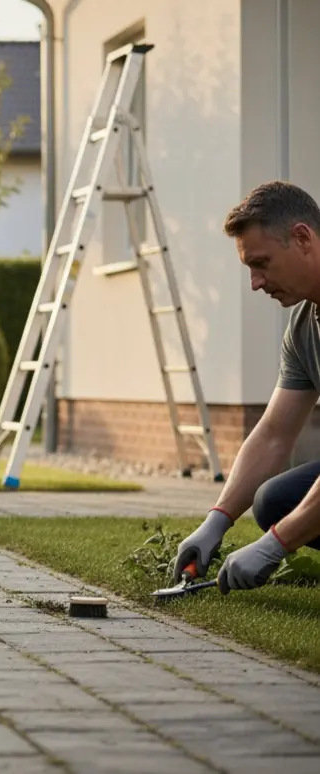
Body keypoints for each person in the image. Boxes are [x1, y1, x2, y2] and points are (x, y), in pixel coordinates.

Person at [173, 180, 320, 594]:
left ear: (302, 238)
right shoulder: (304, 326)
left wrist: (275, 545)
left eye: (262, 263)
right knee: (275, 500)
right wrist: (215, 521)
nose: (255, 282)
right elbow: (274, 435)